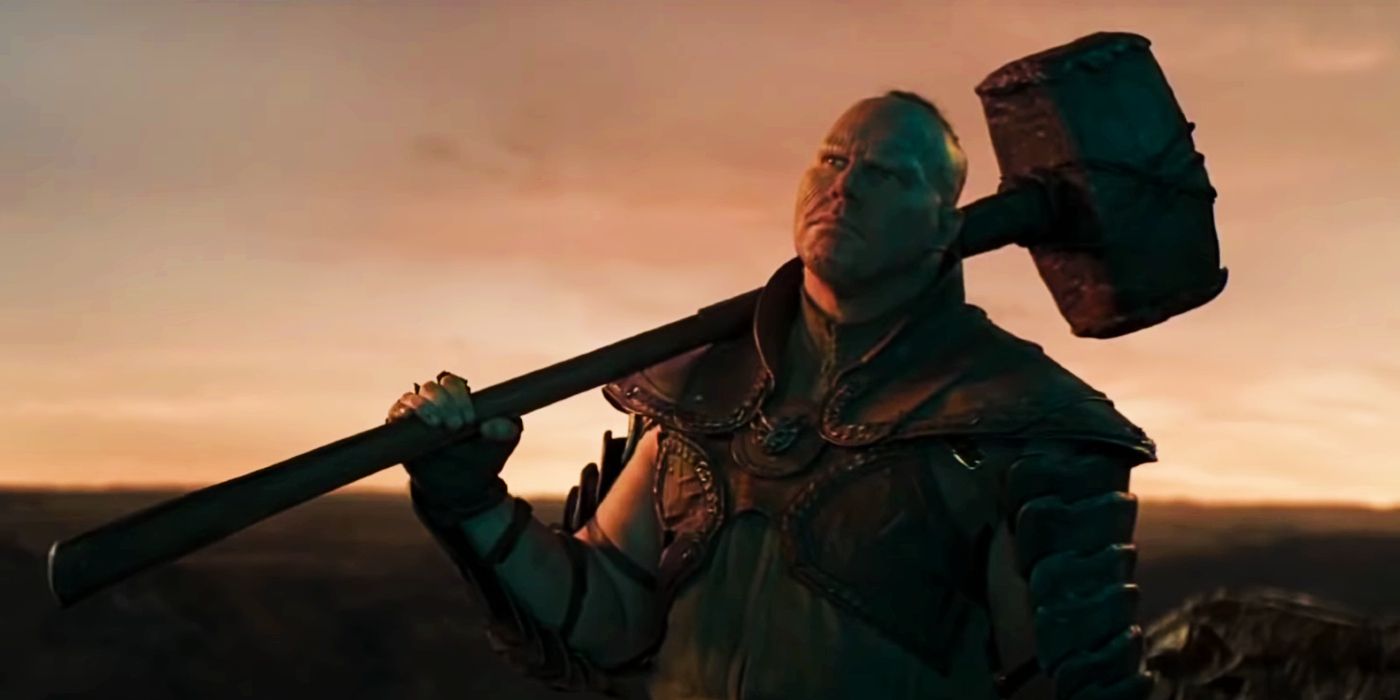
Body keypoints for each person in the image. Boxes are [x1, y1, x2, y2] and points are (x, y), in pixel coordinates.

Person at [387, 91, 1156, 700]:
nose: (843, 188)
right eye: (832, 160)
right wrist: (472, 502)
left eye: (886, 174)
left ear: (941, 222)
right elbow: (607, 614)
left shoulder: (1021, 419)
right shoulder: (702, 389)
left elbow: (1066, 686)